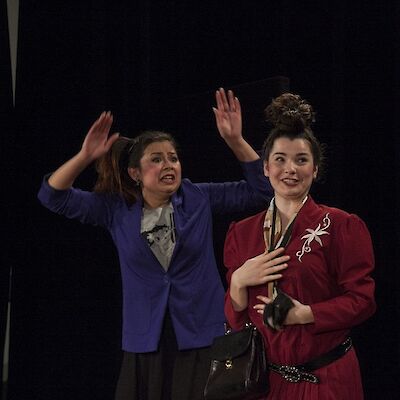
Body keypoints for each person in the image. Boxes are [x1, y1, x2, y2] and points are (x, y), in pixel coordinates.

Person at [37, 88, 273, 400]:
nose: (168, 165)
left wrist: (235, 140)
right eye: (157, 159)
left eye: (173, 158)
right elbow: (52, 196)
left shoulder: (197, 197)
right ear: (134, 173)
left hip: (201, 334)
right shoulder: (116, 209)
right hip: (146, 340)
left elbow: (262, 191)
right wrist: (84, 157)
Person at [223, 93, 376, 400]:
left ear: (315, 169)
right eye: (280, 159)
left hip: (328, 380)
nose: (290, 169)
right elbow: (235, 319)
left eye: (301, 160)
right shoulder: (241, 233)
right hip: (269, 383)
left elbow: (363, 300)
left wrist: (305, 313)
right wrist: (238, 282)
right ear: (265, 168)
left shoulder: (341, 225)